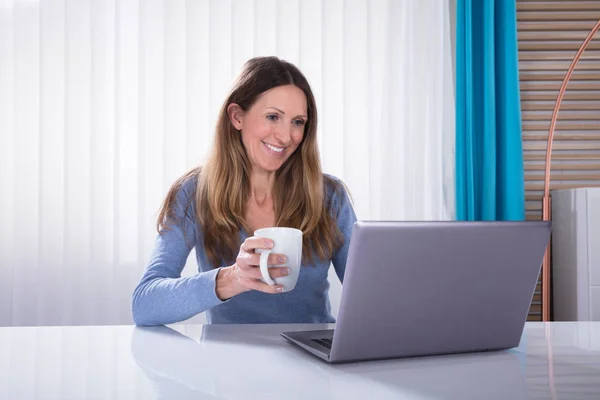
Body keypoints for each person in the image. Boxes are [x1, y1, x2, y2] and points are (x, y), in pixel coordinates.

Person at [132, 56, 357, 326]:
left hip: (312, 360)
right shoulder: (193, 193)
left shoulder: (329, 196)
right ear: (237, 116)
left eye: (298, 122)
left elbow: (370, 295)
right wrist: (233, 278)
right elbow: (145, 305)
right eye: (273, 117)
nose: (286, 137)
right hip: (229, 361)